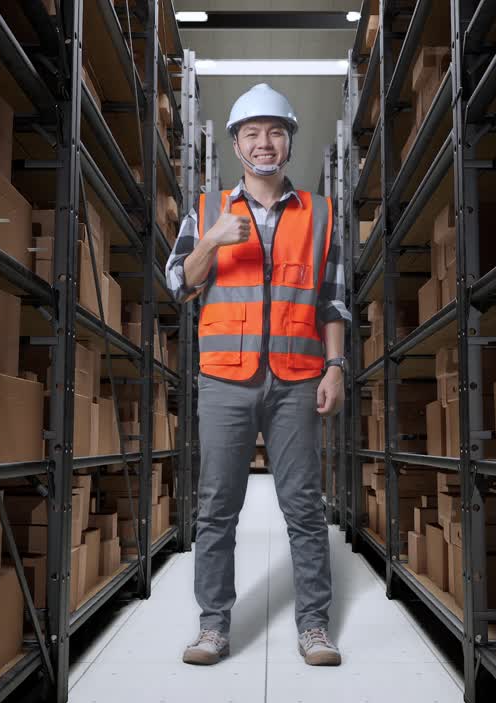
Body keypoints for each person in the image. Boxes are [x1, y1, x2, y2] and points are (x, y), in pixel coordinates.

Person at [165, 83, 350, 667]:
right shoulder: (208, 208)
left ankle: (314, 627)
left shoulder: (320, 213)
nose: (264, 143)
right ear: (237, 146)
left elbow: (334, 300)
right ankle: (213, 627)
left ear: (289, 141)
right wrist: (213, 240)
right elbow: (179, 285)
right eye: (252, 133)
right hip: (225, 378)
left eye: (275, 132)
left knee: (303, 505)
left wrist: (337, 366)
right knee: (217, 507)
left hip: (297, 376)